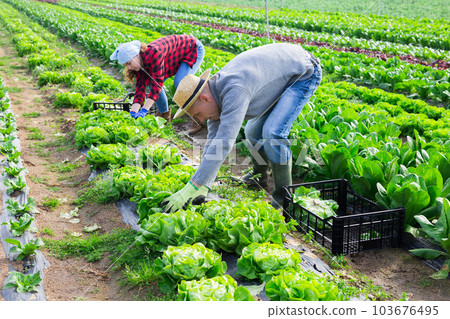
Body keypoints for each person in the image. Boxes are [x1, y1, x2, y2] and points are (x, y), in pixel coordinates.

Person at [161, 43, 322, 213]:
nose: (200, 120)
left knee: (273, 133)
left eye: (198, 114)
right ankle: (258, 177)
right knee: (252, 131)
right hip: (283, 73)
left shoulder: (234, 90)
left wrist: (193, 184)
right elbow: (213, 141)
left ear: (204, 98)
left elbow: (224, 141)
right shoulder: (215, 94)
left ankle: (283, 200)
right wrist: (203, 184)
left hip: (303, 73)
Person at [110, 34, 205, 133]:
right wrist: (133, 112)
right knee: (151, 84)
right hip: (174, 57)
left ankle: (199, 118)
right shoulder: (140, 66)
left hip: (191, 48)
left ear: (137, 55)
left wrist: (143, 111)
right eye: (126, 65)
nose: (129, 68)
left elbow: (157, 86)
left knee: (180, 83)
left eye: (129, 63)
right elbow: (140, 90)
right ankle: (164, 116)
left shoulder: (155, 53)